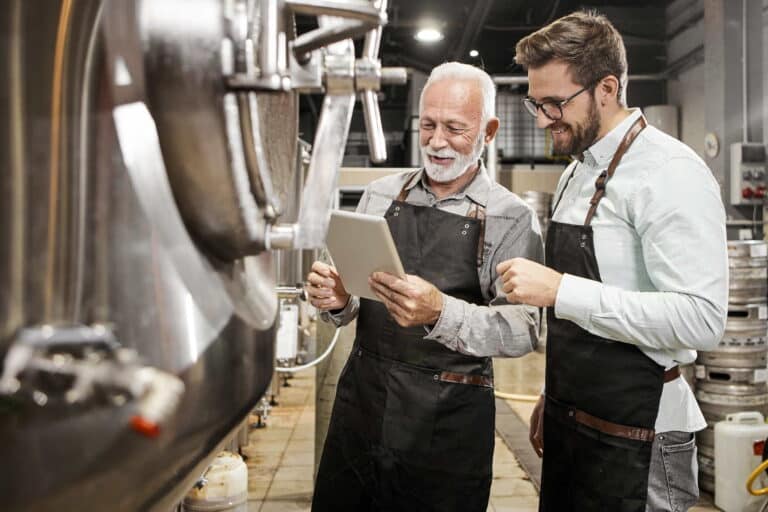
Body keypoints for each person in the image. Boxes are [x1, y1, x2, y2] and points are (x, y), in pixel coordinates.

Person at [498, 10, 729, 512]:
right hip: (573, 419)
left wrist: (562, 290)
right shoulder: (576, 172)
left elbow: (702, 319)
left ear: (607, 88)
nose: (541, 119)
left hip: (642, 437)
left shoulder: (669, 173)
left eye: (555, 103)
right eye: (535, 103)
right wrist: (553, 393)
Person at [306, 62, 544, 512]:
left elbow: (524, 327)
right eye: (428, 125)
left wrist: (441, 313)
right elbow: (349, 295)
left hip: (446, 424)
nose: (436, 142)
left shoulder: (510, 217)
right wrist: (335, 300)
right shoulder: (380, 194)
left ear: (488, 131)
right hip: (363, 406)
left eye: (455, 128)